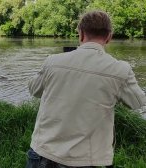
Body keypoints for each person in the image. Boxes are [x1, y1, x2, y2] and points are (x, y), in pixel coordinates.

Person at [27, 11, 146, 168]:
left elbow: (34, 89)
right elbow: (137, 102)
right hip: (85, 160)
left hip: (42, 153)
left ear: (81, 34)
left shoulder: (52, 61)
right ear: (109, 37)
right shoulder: (121, 70)